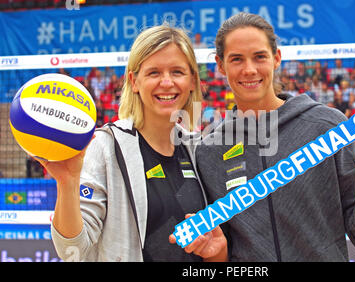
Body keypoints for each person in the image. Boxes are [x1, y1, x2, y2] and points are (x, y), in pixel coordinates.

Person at [196, 12, 355, 261]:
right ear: (220, 64)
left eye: (259, 57)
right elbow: (220, 249)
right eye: (236, 59)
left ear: (276, 58)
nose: (249, 70)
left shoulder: (327, 125)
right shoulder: (209, 151)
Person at [35, 25, 227, 262]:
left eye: (177, 72)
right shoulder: (104, 146)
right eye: (154, 73)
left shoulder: (198, 149)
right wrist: (67, 184)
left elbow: (213, 252)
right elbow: (73, 253)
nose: (166, 82)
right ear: (134, 81)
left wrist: (218, 252)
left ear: (192, 81)